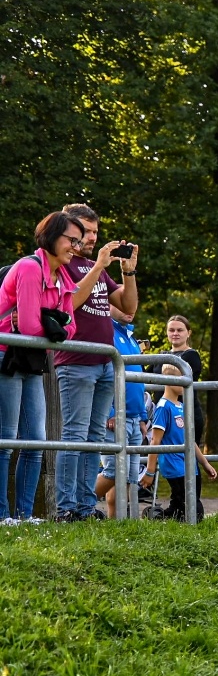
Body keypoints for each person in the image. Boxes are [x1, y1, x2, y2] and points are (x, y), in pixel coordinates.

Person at [0, 211, 86, 525]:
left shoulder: (64, 277)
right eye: (70, 240)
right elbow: (29, 326)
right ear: (51, 236)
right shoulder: (28, 267)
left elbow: (70, 328)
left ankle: (24, 516)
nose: (75, 247)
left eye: (79, 241)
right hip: (6, 354)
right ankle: (2, 515)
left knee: (36, 439)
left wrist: (50, 327)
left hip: (33, 359)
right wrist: (52, 327)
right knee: (7, 439)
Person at [58, 203, 138, 522]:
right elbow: (70, 301)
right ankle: (65, 508)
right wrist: (98, 266)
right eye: (86, 231)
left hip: (105, 363)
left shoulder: (99, 268)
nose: (92, 237)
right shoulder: (60, 264)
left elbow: (128, 306)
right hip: (76, 361)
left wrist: (128, 270)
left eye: (95, 231)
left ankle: (83, 506)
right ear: (68, 230)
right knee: (74, 436)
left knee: (94, 439)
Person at [140, 364, 216, 521]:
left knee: (185, 505)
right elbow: (155, 440)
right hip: (174, 465)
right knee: (193, 510)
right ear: (169, 380)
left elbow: (190, 440)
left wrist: (205, 463)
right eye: (182, 379)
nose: (186, 383)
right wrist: (150, 471)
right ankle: (161, 517)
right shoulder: (163, 407)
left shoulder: (182, 406)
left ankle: (157, 516)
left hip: (190, 465)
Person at [94, 306, 150, 516]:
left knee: (129, 475)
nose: (130, 308)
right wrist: (109, 411)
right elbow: (100, 375)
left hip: (135, 418)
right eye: (122, 302)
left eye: (133, 303)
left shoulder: (131, 337)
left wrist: (143, 417)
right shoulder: (105, 332)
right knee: (114, 471)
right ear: (108, 304)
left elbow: (139, 382)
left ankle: (119, 524)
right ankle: (77, 509)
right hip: (116, 416)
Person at [163, 316, 206, 446]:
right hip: (165, 414)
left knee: (187, 458)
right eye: (171, 330)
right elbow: (143, 375)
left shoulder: (191, 355)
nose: (175, 333)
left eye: (180, 330)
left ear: (189, 333)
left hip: (186, 413)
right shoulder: (163, 355)